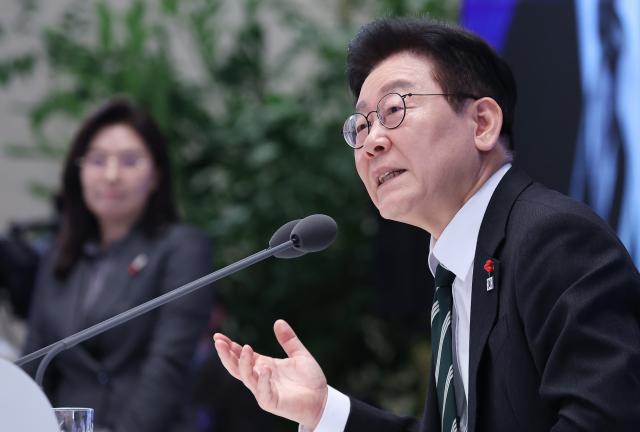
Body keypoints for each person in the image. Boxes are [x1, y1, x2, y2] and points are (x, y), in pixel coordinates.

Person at [213, 17, 640, 432]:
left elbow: (608, 419)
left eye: (394, 109)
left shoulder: (553, 239)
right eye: (361, 125)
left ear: (482, 123)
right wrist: (325, 411)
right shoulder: (454, 273)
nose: (372, 141)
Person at [23, 98, 213, 432]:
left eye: (129, 161)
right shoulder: (59, 255)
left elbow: (167, 366)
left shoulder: (182, 248)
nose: (111, 176)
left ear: (156, 175)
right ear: (79, 170)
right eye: (98, 160)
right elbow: (34, 365)